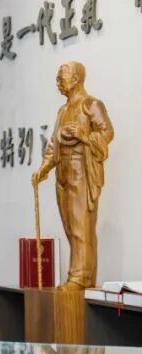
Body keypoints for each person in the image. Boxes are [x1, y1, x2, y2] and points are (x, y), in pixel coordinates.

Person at [31, 61, 114, 290]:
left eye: (62, 78)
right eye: (57, 78)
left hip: (81, 170)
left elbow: (107, 132)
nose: (58, 82)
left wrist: (84, 134)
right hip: (63, 172)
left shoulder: (91, 105)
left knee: (81, 227)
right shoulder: (63, 110)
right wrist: (44, 168)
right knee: (70, 228)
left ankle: (80, 278)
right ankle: (79, 275)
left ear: (76, 79)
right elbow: (53, 144)